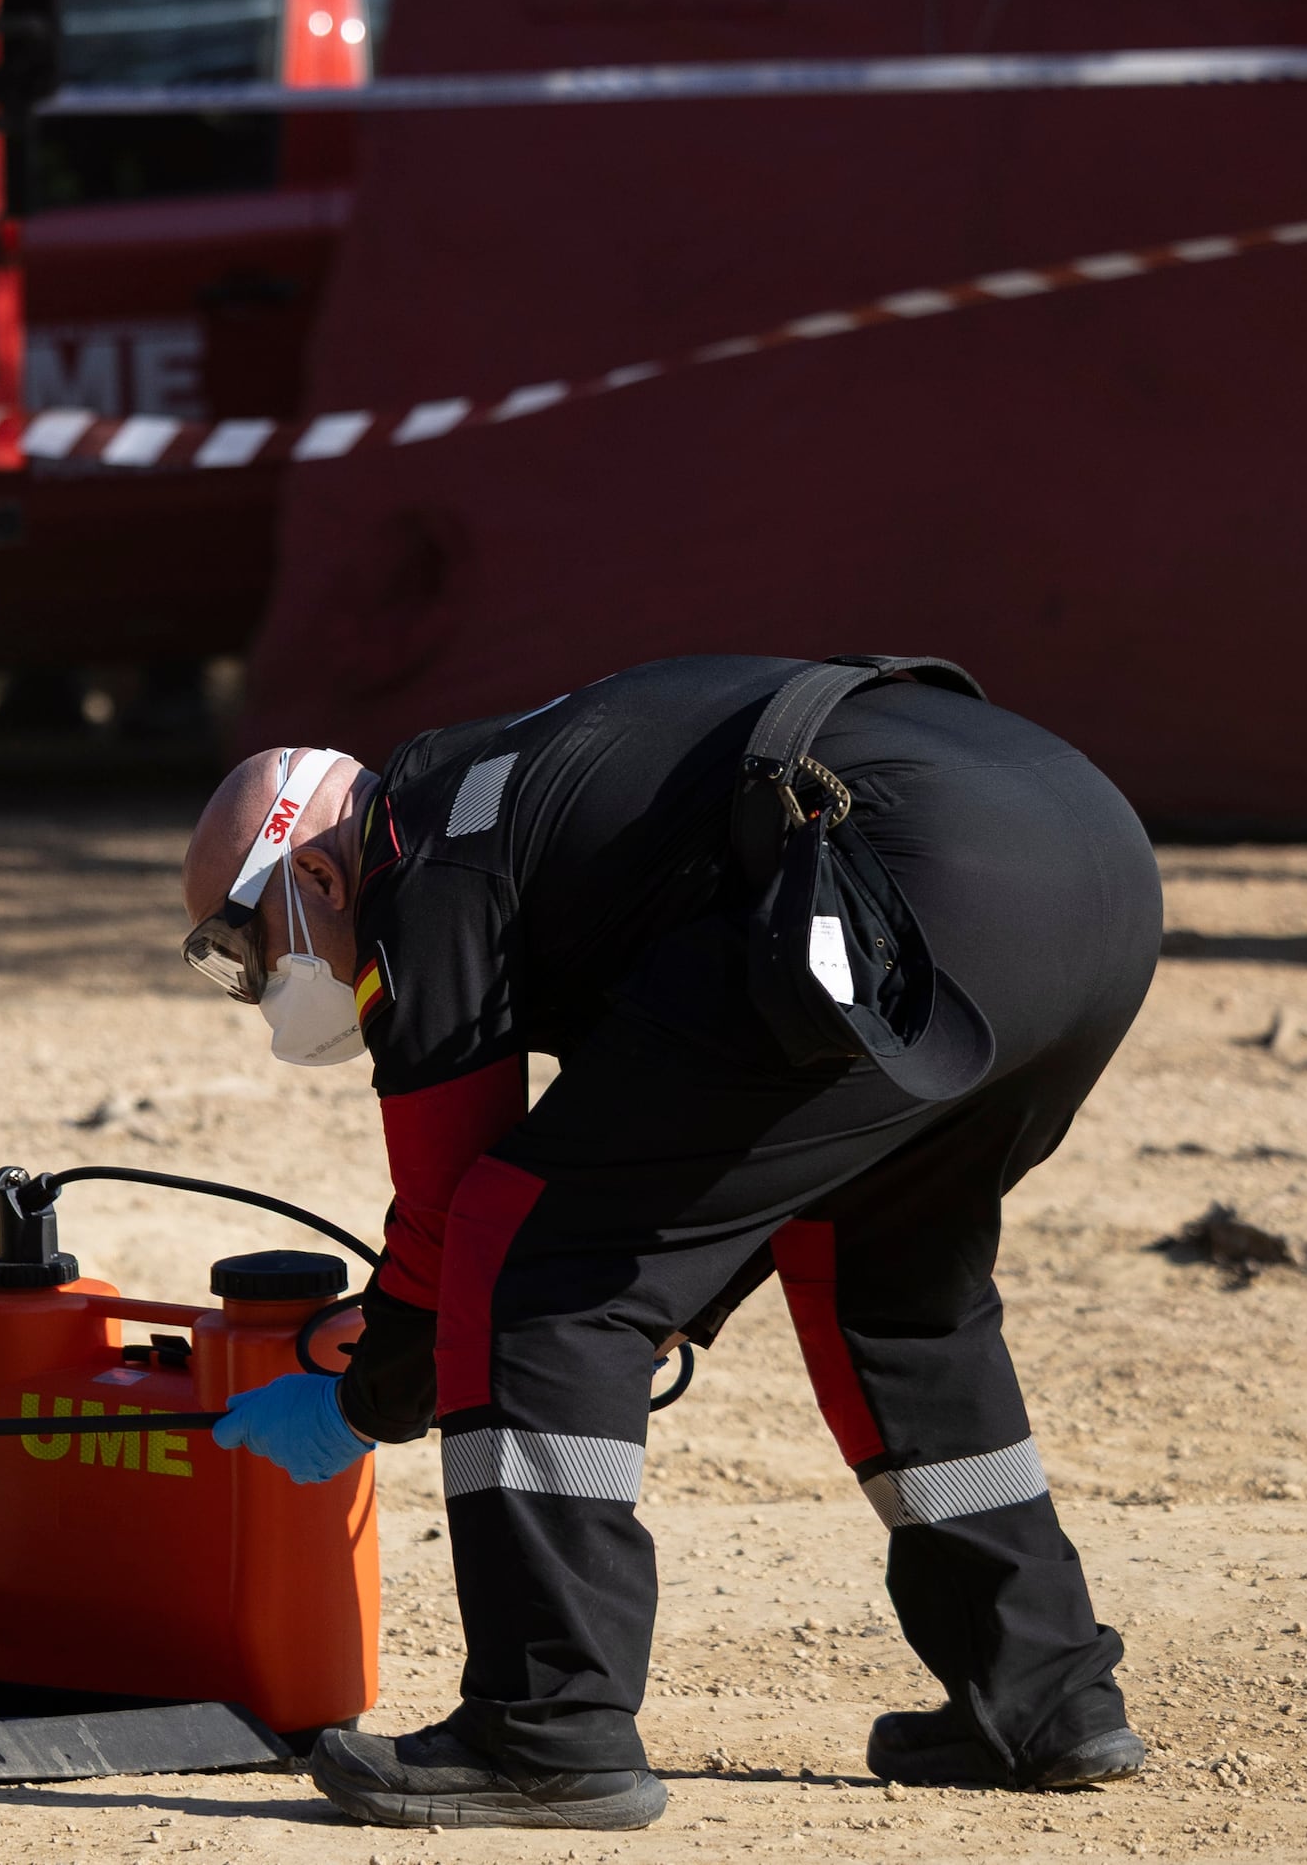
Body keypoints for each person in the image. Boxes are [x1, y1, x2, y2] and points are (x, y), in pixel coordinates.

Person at [182, 656, 1160, 1831]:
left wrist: (361, 1397)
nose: (254, 981)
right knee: (883, 1268)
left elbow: (453, 1205)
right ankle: (1045, 1697)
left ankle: (543, 1730)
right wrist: (663, 1298)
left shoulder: (416, 852)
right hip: (1090, 876)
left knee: (529, 1251)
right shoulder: (508, 786)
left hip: (899, 881)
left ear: (315, 872)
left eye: (241, 945)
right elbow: (696, 1154)